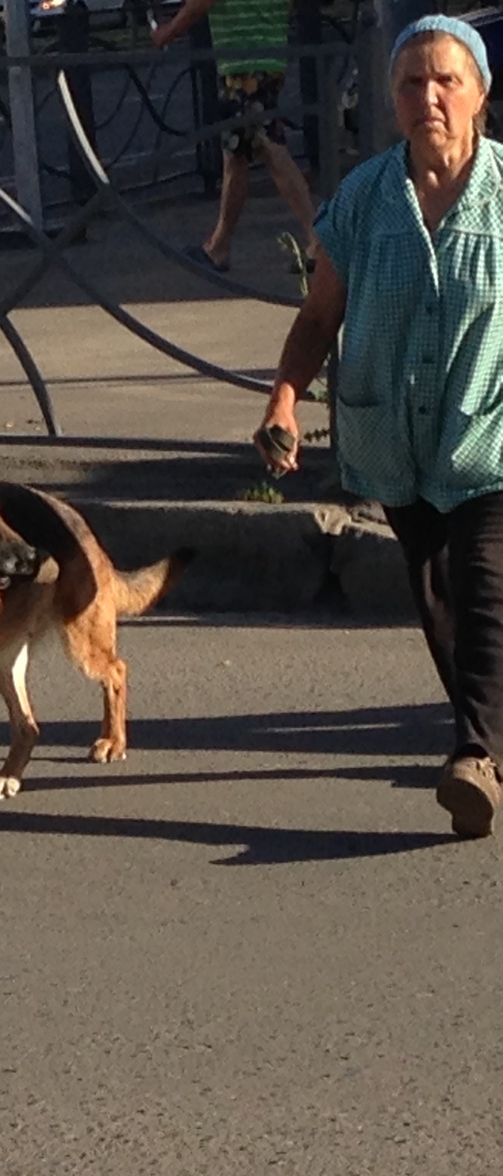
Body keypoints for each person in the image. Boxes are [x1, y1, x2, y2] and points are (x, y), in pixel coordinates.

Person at [258, 15, 503, 838]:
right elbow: (319, 314)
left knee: (484, 580)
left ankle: (475, 755)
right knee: (435, 594)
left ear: (479, 94)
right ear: (391, 99)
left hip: (488, 435)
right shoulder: (364, 199)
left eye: (446, 80)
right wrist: (284, 399)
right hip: (394, 440)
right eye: (410, 83)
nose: (428, 96)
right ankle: (490, 735)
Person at [153, 0, 321, 273]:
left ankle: (318, 238)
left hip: (243, 61)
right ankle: (219, 245)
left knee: (270, 148)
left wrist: (168, 31)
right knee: (236, 154)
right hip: (266, 54)